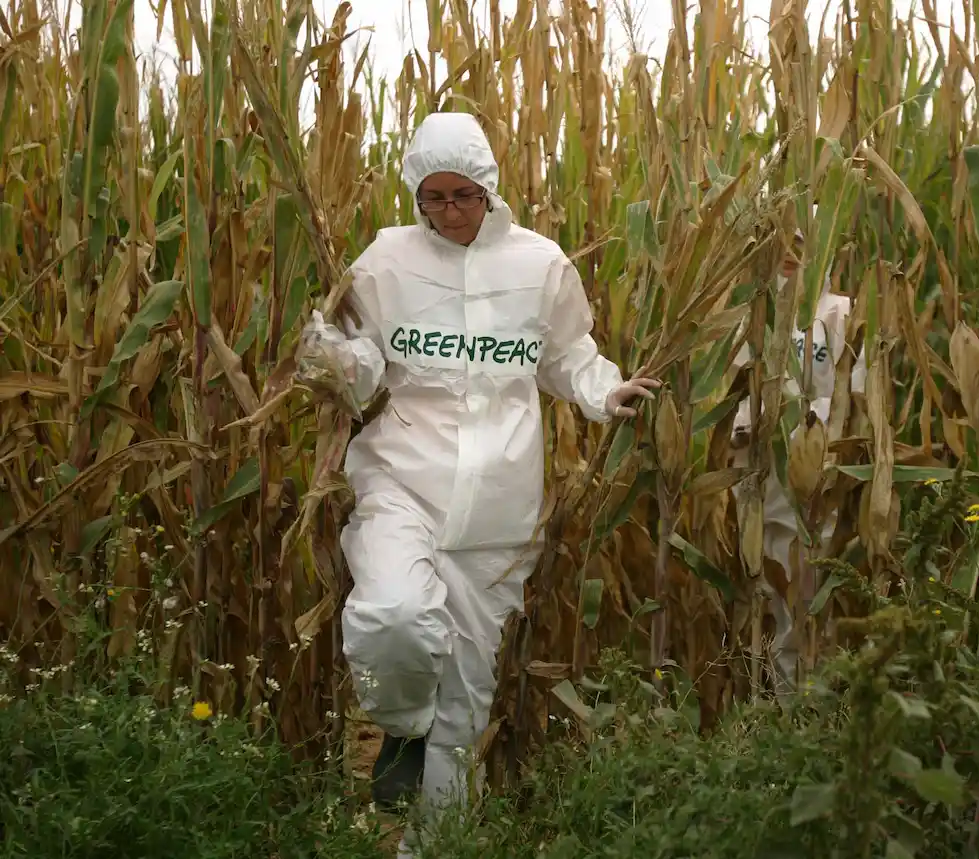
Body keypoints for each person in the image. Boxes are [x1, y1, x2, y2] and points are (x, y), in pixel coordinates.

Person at [294, 112, 659, 839]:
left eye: (463, 196)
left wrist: (603, 391)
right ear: (416, 196)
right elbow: (364, 362)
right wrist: (332, 358)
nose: (450, 212)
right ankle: (403, 722)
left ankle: (434, 846)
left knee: (466, 710)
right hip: (404, 485)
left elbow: (568, 356)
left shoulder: (539, 264)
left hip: (498, 513)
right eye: (434, 198)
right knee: (393, 615)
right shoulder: (385, 261)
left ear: (489, 190)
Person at [729, 228, 866, 692]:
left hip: (819, 484)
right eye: (780, 242)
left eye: (802, 243)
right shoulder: (750, 316)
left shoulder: (840, 314)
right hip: (763, 485)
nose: (790, 254)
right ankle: (774, 706)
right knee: (771, 590)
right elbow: (730, 396)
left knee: (816, 586)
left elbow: (857, 397)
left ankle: (817, 700)